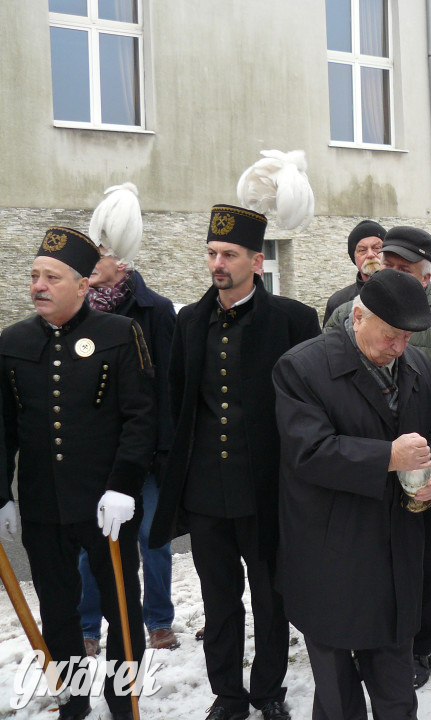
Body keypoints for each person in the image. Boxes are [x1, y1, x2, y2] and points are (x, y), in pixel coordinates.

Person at [150, 201, 320, 720]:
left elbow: (311, 406)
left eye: (228, 254)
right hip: (206, 492)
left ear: (256, 261)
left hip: (267, 488)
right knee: (219, 600)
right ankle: (227, 694)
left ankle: (268, 691)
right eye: (211, 253)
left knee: (273, 599)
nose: (216, 263)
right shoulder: (190, 321)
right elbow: (176, 401)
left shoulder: (293, 319)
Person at [274, 269, 431, 720]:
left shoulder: (413, 366)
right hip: (330, 553)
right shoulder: (302, 367)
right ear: (357, 317)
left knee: (396, 685)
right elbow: (309, 451)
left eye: (408, 337)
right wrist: (387, 458)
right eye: (390, 335)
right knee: (337, 692)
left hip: (395, 549)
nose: (399, 347)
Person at [0, 227, 155, 720]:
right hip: (45, 506)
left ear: (82, 285)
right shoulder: (13, 341)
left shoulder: (118, 334)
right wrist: (2, 492)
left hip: (106, 504)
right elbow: (2, 426)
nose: (38, 286)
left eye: (51, 277)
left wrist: (125, 485)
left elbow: (141, 416)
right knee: (58, 608)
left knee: (121, 606)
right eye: (34, 276)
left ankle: (123, 697)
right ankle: (72, 698)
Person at [325, 226, 431, 689]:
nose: (388, 272)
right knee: (359, 565)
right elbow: (327, 384)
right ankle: (358, 640)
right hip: (361, 468)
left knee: (422, 564)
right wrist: (375, 447)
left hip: (419, 468)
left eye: (402, 269)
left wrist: (414, 452)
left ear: (426, 278)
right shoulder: (345, 313)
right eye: (386, 265)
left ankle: (419, 647)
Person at [76, 183, 179, 655]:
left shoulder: (155, 311)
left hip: (149, 453)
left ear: (122, 261)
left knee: (152, 543)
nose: (90, 261)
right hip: (97, 453)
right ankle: (89, 627)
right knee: (91, 545)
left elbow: (165, 385)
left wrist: (161, 449)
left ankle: (158, 621)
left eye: (99, 253)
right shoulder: (77, 313)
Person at [323, 219, 386, 325]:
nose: (370, 254)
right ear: (354, 258)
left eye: (376, 248)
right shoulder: (338, 302)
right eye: (362, 250)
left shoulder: (405, 293)